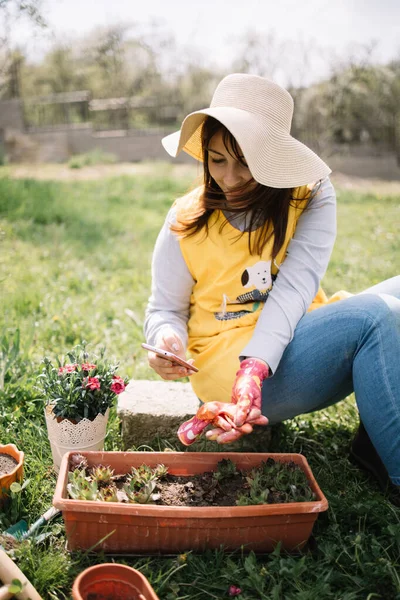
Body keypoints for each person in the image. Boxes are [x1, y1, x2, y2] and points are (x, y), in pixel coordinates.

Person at [144, 73, 400, 504]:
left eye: (244, 161)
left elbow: (294, 290)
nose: (229, 176)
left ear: (275, 158)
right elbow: (163, 308)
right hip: (228, 370)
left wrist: (257, 367)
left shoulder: (311, 195)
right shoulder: (185, 218)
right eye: (217, 159)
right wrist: (164, 339)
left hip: (287, 338)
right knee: (377, 318)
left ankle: (374, 442)